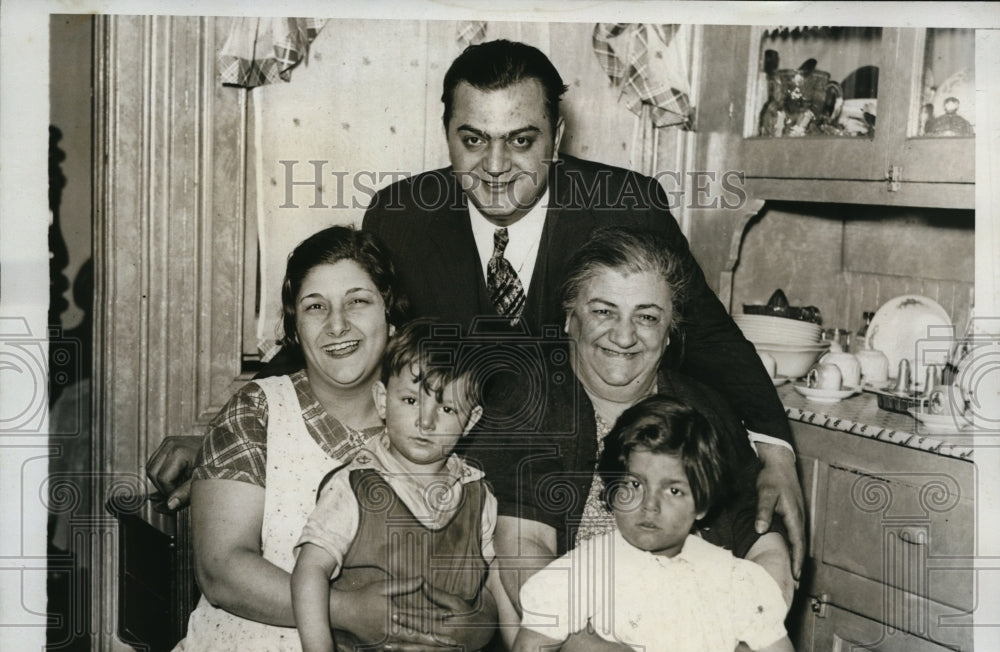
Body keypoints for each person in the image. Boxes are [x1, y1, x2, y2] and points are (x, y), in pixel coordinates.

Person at [148, 41, 805, 585]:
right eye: (472, 140)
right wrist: (231, 436)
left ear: (556, 137)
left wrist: (776, 451)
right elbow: (344, 335)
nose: (494, 167)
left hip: (570, 505)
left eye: (520, 140)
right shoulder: (403, 216)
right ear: (447, 135)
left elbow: (709, 336)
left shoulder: (621, 203)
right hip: (448, 503)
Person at [467, 226, 809, 652]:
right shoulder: (528, 403)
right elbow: (520, 553)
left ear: (670, 332)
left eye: (647, 317)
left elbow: (763, 542)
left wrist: (750, 643)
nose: (624, 336)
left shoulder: (703, 412)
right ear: (570, 318)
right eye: (603, 312)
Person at [165, 227, 492, 652]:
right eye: (315, 307)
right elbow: (220, 570)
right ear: (294, 326)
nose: (337, 325)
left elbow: (479, 577)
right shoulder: (257, 412)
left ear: (392, 317)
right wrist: (352, 611)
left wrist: (464, 629)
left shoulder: (434, 427)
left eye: (357, 301)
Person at [511, 395, 801, 652]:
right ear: (612, 491)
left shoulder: (729, 575)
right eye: (634, 484)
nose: (650, 505)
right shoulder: (587, 569)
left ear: (702, 503)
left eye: (673, 490)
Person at [290, 319, 520, 652]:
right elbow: (308, 571)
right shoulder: (354, 485)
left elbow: (497, 579)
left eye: (447, 408)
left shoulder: (478, 493)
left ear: (471, 420)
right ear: (382, 401)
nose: (425, 422)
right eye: (410, 401)